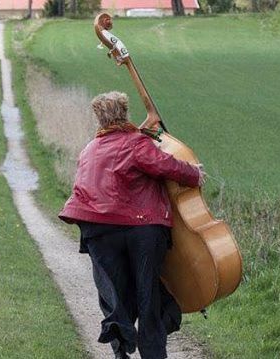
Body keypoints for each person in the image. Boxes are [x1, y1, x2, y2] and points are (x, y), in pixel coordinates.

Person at [58, 92, 205, 359]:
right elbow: (165, 165)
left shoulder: (89, 150)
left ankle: (120, 349)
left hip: (99, 230)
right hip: (142, 229)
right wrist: (194, 173)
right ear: (125, 112)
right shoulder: (136, 143)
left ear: (98, 117)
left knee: (114, 293)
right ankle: (152, 354)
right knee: (148, 295)